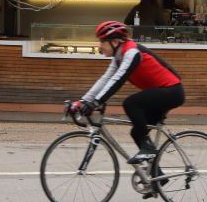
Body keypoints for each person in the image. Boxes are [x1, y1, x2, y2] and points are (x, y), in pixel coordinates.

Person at [71, 21, 185, 166]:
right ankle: (156, 178)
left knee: (131, 103)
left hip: (172, 91)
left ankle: (148, 149)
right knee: (137, 132)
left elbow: (118, 80)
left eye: (102, 42)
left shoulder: (132, 53)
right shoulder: (119, 57)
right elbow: (105, 80)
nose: (99, 46)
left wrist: (95, 103)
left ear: (115, 41)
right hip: (161, 92)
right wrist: (82, 101)